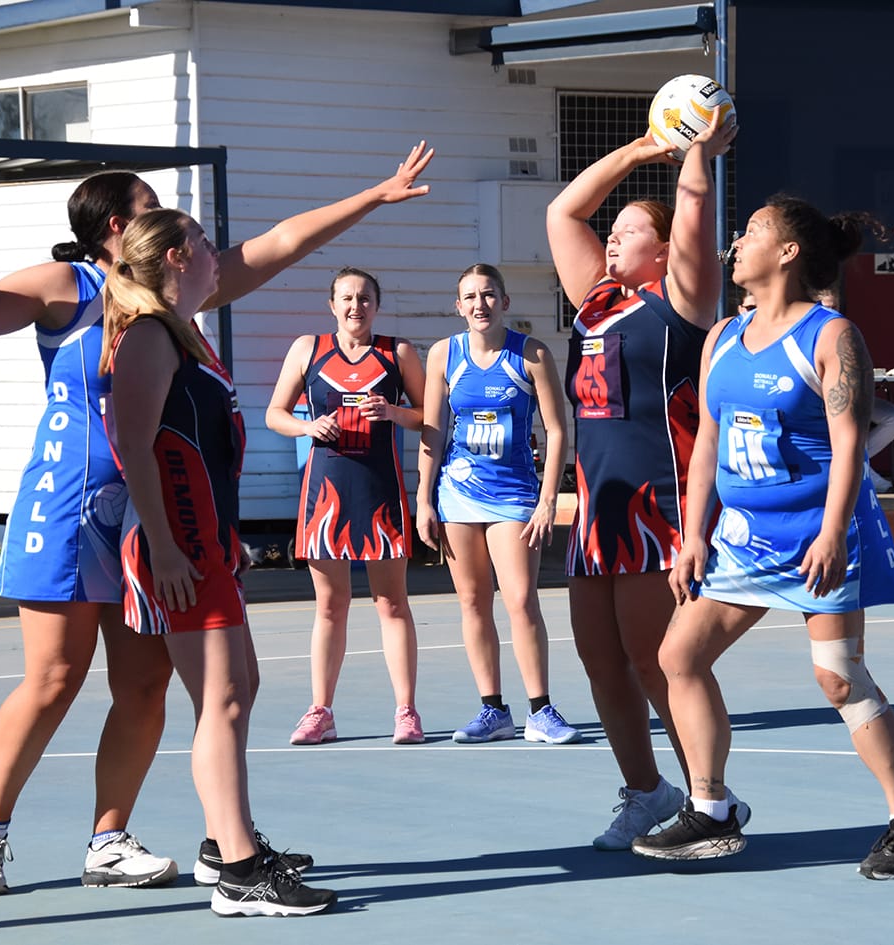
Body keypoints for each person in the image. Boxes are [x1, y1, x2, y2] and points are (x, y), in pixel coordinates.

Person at [0, 141, 434, 896]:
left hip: (148, 511)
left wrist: (374, 195)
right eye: (150, 204)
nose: (172, 217)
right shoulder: (70, 286)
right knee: (56, 676)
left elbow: (282, 243)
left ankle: (108, 838)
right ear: (116, 227)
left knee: (145, 684)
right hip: (71, 505)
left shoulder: (173, 299)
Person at [629, 194, 894, 881]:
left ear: (788, 251)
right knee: (678, 655)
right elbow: (705, 446)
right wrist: (692, 535)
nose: (737, 243)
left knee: (838, 678)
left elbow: (849, 443)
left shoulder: (831, 337)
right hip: (743, 537)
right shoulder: (722, 336)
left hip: (815, 532)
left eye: (752, 232)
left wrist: (832, 532)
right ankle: (711, 807)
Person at [102, 208, 336, 915]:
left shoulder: (182, 331)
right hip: (178, 542)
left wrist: (222, 539)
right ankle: (240, 872)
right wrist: (167, 546)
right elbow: (132, 444)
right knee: (223, 697)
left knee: (237, 688)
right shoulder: (148, 335)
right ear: (177, 257)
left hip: (205, 538)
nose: (215, 251)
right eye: (204, 241)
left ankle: (224, 843)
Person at [545, 109, 743, 849]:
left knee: (659, 662)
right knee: (601, 663)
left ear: (663, 250)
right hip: (599, 508)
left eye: (629, 231)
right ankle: (645, 790)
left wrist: (694, 155)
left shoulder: (681, 303)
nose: (613, 237)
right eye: (615, 229)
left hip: (661, 503)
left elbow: (692, 215)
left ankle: (710, 801)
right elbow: (563, 212)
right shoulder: (596, 302)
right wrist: (638, 148)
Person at [416, 263, 580, 745]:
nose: (479, 304)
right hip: (458, 494)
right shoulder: (444, 355)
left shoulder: (531, 354)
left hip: (514, 495)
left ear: (504, 302)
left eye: (488, 295)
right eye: (470, 297)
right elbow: (432, 431)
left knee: (521, 600)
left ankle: (541, 710)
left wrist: (548, 499)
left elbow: (556, 430)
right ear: (458, 306)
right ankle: (493, 710)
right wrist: (423, 499)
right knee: (472, 601)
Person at [267, 267, 426, 745]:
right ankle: (321, 711)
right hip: (326, 494)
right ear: (332, 305)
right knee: (330, 605)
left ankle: (406, 711)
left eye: (364, 298)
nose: (356, 306)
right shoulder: (308, 349)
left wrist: (393, 412)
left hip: (380, 491)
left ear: (377, 304)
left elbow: (429, 415)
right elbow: (275, 414)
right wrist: (307, 426)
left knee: (391, 602)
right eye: (347, 298)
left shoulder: (397, 352)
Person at [806, 286, 894, 494]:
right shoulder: (809, 331)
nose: (830, 311)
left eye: (834, 306)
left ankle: (859, 464)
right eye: (824, 306)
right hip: (822, 400)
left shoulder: (842, 328)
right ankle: (859, 469)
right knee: (849, 423)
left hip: (852, 396)